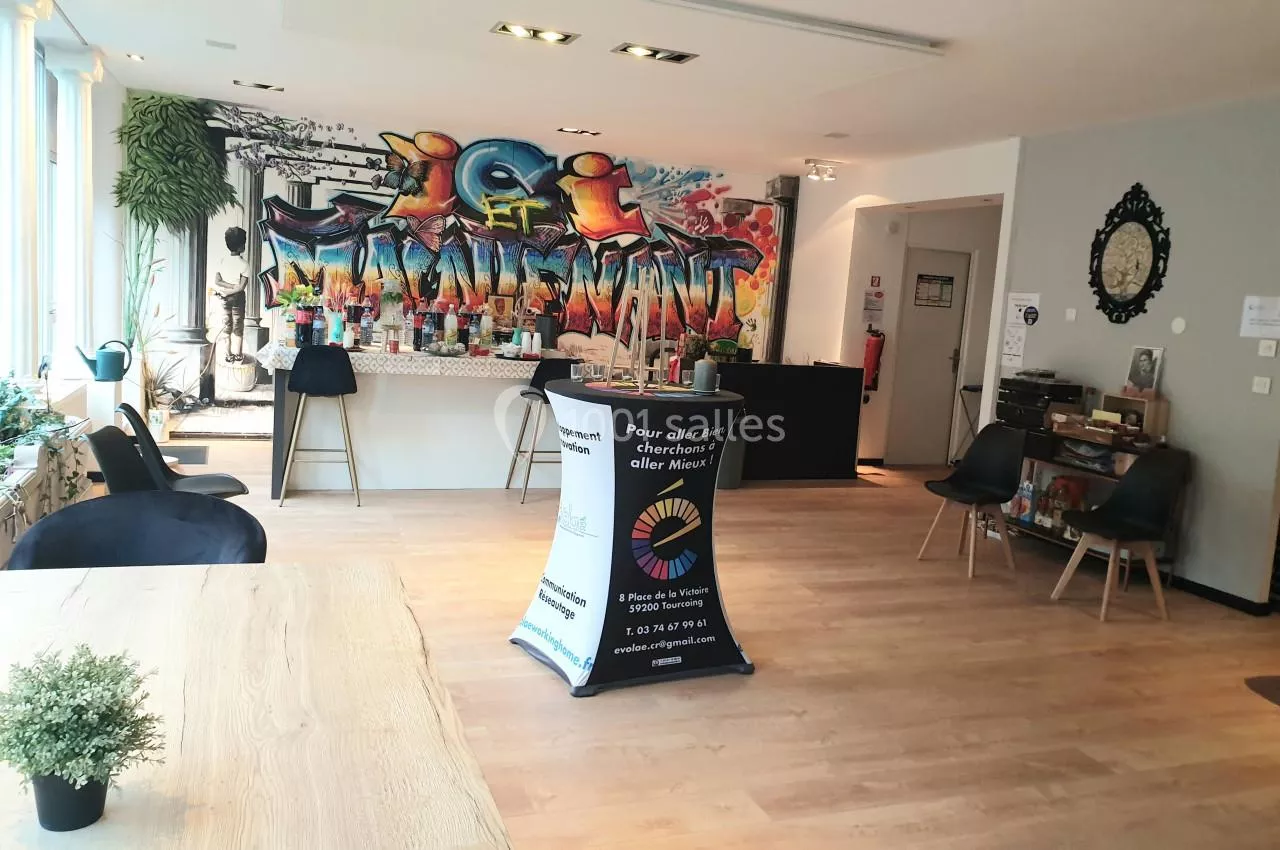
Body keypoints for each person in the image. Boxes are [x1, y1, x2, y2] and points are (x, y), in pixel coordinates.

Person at [212, 227, 249, 362]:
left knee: (226, 326)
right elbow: (241, 287)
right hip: (238, 298)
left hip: (224, 298)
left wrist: (226, 290)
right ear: (241, 246)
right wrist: (234, 287)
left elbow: (217, 281)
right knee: (238, 326)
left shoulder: (221, 260)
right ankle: (238, 354)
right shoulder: (244, 264)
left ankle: (228, 355)